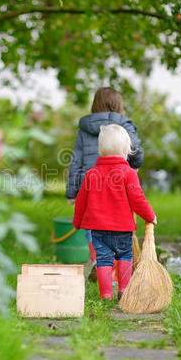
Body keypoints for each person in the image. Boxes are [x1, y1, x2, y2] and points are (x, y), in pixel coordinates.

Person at [72, 124, 156, 300]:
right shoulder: (129, 173)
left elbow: (81, 201)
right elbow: (138, 199)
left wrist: (77, 221)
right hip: (122, 229)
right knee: (125, 256)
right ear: (126, 150)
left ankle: (106, 294)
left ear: (101, 150)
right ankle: (123, 290)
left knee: (103, 260)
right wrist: (150, 216)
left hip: (98, 230)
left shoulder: (91, 174)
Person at [66, 87, 144, 264]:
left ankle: (98, 261)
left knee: (92, 221)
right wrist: (135, 166)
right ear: (118, 105)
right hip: (120, 184)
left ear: (95, 104)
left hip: (92, 185)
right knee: (121, 220)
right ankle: (119, 263)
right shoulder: (125, 125)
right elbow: (136, 151)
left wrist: (72, 193)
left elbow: (76, 161)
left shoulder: (84, 129)